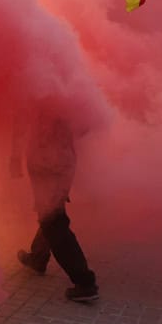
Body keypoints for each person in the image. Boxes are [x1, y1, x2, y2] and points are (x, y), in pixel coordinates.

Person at [15, 114, 99, 303]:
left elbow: (19, 119)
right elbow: (85, 126)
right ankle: (38, 257)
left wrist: (15, 156)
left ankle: (85, 282)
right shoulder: (71, 86)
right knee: (49, 211)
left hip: (45, 161)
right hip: (64, 160)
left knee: (53, 221)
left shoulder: (37, 87)